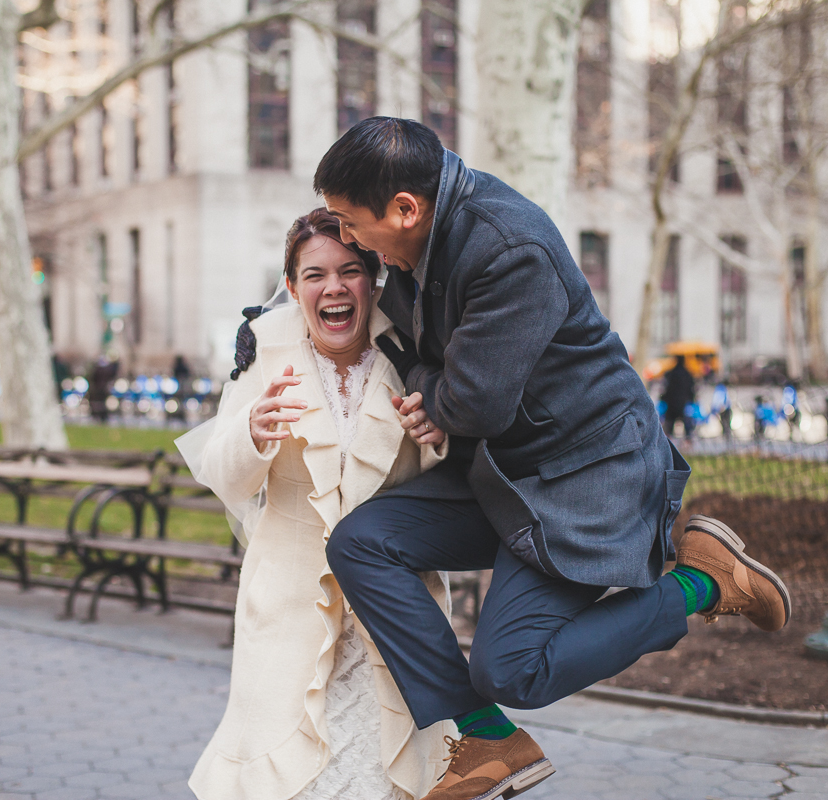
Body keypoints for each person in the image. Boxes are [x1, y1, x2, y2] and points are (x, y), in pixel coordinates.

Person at [313, 117, 791, 800]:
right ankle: (488, 740)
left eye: (349, 223)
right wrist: (262, 331)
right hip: (506, 477)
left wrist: (425, 390)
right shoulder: (419, 238)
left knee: (513, 671)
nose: (347, 238)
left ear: (405, 209)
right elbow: (422, 360)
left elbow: (472, 405)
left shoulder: (507, 248)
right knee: (362, 543)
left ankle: (705, 582)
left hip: (591, 480)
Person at [186, 209, 455, 800]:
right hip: (287, 608)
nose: (333, 287)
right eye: (314, 275)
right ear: (292, 287)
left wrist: (437, 434)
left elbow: (447, 485)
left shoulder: (410, 353)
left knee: (387, 773)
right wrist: (252, 433)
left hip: (389, 616)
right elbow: (221, 474)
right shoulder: (265, 353)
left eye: (349, 271)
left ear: (373, 280)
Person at [660, 358, 696, 438]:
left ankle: (668, 441)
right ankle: (688, 440)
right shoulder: (687, 374)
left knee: (670, 424)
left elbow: (666, 388)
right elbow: (691, 389)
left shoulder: (671, 373)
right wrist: (691, 399)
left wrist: (664, 398)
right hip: (683, 402)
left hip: (672, 403)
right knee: (687, 424)